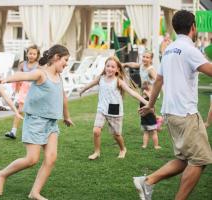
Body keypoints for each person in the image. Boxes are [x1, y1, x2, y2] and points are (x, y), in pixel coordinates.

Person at [134, 10, 212, 200]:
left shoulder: (169, 49)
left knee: (185, 159)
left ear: (175, 28)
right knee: (200, 159)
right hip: (185, 114)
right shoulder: (190, 50)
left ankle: (147, 181)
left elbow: (159, 80)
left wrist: (151, 105)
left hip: (171, 113)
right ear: (193, 27)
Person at [0, 44, 74, 199]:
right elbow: (22, 76)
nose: (67, 63)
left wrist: (67, 116)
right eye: (65, 60)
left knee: (51, 158)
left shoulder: (59, 76)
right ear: (56, 57)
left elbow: (63, 97)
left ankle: (34, 192)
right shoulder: (41, 73)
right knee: (32, 159)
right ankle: (2, 174)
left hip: (51, 123)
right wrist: (4, 79)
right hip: (36, 121)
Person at [79, 56, 148, 160]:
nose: (110, 69)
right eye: (108, 66)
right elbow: (91, 84)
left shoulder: (118, 81)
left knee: (116, 135)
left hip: (114, 110)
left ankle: (123, 149)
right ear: (105, 67)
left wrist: (146, 101)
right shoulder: (100, 78)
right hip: (101, 109)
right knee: (96, 131)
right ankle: (97, 152)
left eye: (112, 67)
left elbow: (132, 93)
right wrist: (83, 89)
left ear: (117, 69)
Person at [5, 45, 40, 139]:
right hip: (24, 90)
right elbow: (17, 76)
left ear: (37, 55)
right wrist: (16, 89)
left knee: (32, 111)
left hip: (34, 89)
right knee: (20, 110)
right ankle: (13, 131)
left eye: (34, 54)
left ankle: (34, 131)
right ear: (27, 54)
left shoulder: (38, 66)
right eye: (30, 53)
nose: (32, 55)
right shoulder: (22, 64)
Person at [139, 81, 161, 149]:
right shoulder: (147, 97)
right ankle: (155, 145)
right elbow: (152, 99)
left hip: (145, 117)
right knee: (153, 132)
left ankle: (145, 145)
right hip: (149, 117)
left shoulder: (142, 98)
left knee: (146, 132)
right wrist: (147, 93)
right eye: (151, 88)